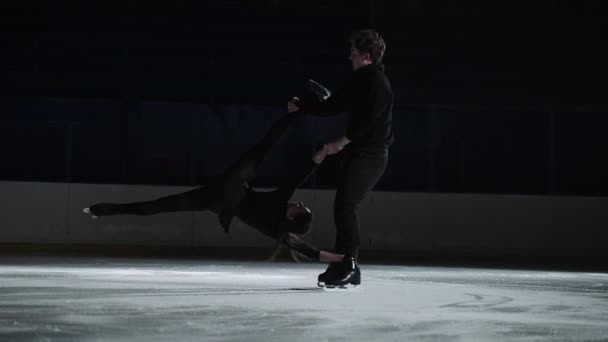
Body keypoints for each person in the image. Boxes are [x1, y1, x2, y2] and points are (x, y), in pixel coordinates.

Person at [84, 102, 343, 264]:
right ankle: (101, 210)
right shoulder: (279, 220)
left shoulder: (278, 227)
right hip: (220, 199)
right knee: (155, 206)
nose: (300, 203)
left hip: (228, 191)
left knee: (157, 206)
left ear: (294, 217)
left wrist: (341, 259)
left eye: (302, 208)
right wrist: (319, 157)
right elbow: (301, 175)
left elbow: (308, 251)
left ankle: (101, 209)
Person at [288, 30, 394, 287]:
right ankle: (340, 263)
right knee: (342, 206)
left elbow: (368, 122)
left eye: (354, 53)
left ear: (367, 57)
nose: (350, 57)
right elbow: (333, 105)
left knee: (345, 206)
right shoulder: (359, 80)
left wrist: (341, 142)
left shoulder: (378, 84)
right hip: (358, 153)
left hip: (372, 156)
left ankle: (349, 265)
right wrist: (303, 106)